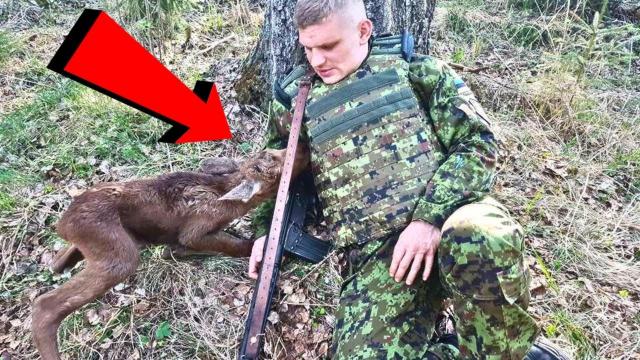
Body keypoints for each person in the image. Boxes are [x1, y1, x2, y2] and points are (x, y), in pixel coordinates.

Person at [248, 1, 568, 359]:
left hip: (452, 222)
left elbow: (478, 144)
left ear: (363, 31)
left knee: (477, 234)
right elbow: (274, 171)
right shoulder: (296, 99)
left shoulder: (417, 71)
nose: (316, 61)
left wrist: (428, 218)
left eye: (327, 47)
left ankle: (510, 350)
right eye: (308, 48)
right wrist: (265, 232)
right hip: (378, 258)